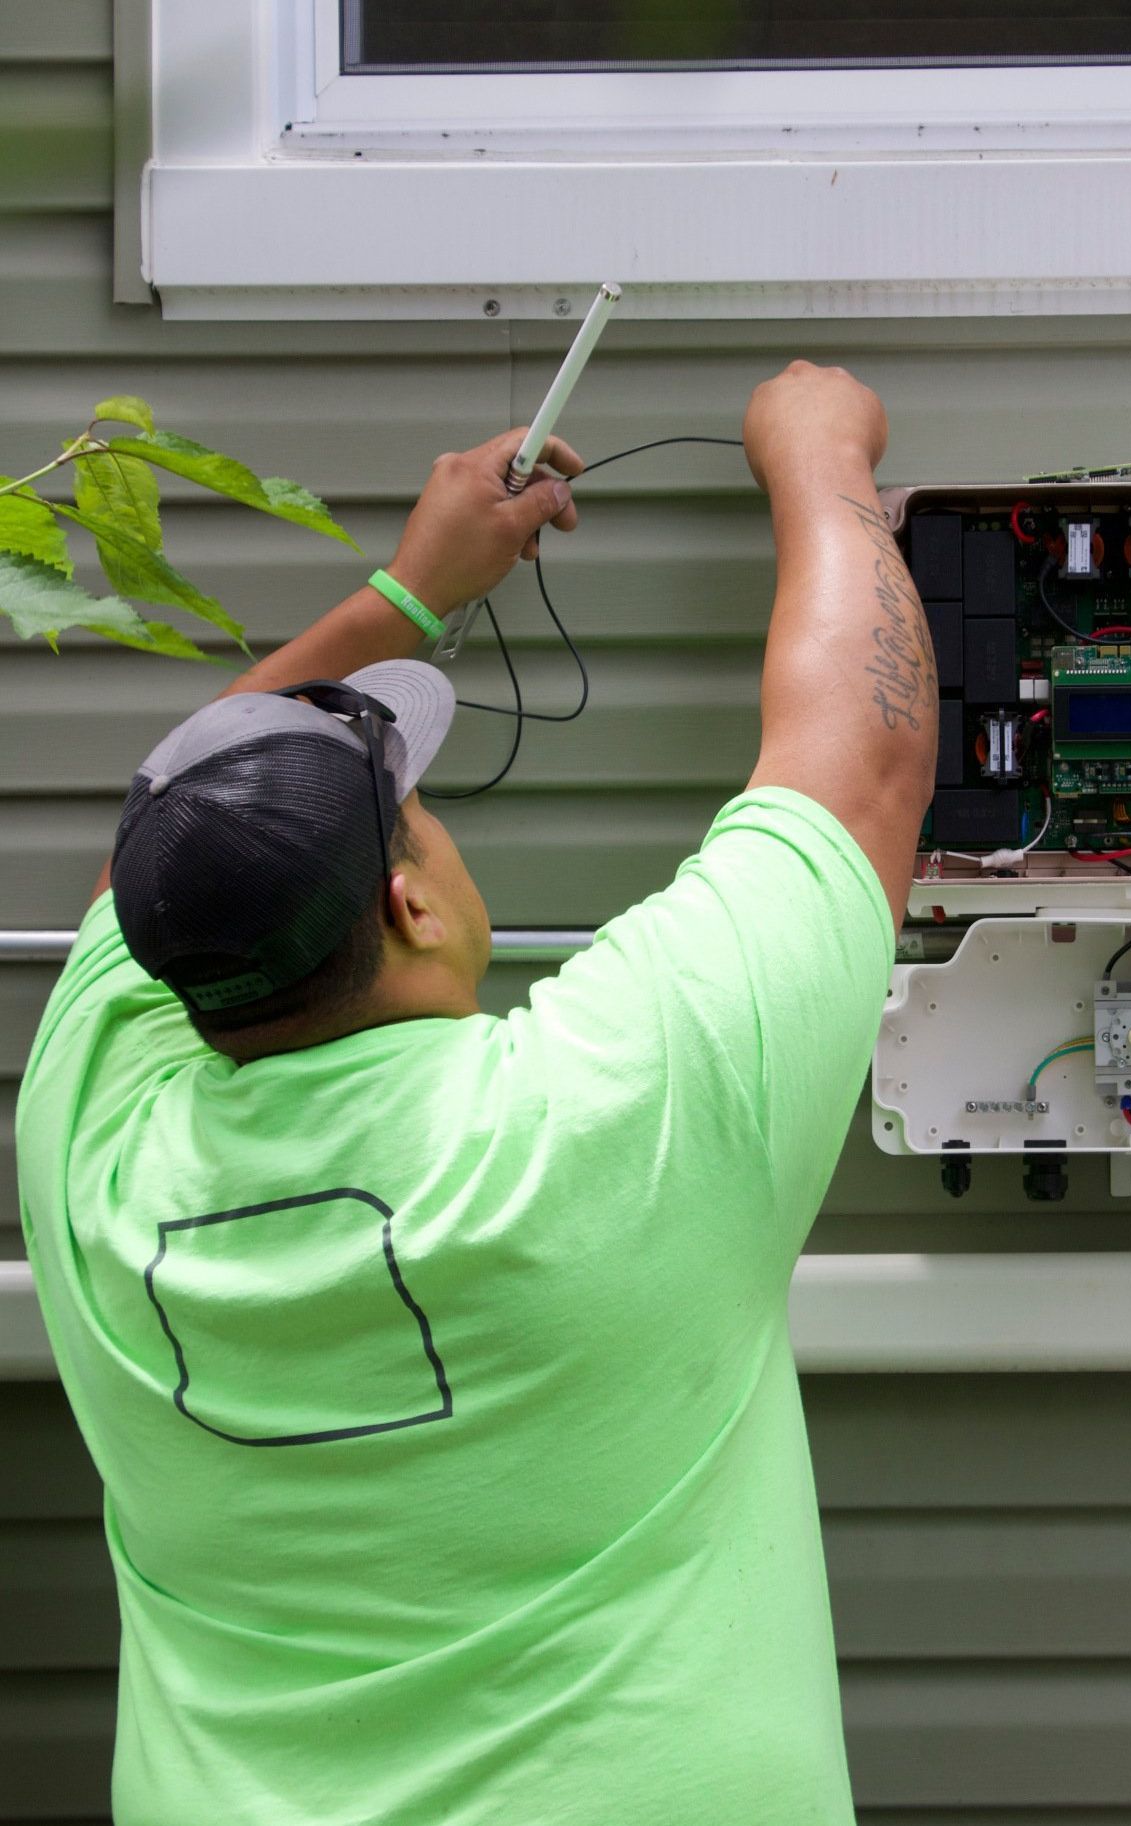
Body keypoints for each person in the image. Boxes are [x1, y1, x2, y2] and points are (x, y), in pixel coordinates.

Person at [17, 362, 938, 1825]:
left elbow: (172, 833)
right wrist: (821, 454)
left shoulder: (89, 1146)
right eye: (418, 798)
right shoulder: (606, 1116)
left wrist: (411, 585)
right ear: (409, 901)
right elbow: (865, 766)